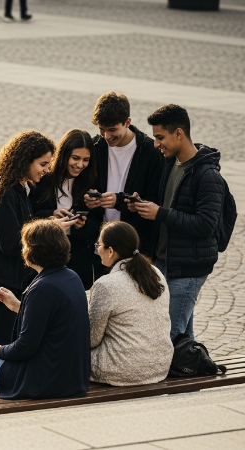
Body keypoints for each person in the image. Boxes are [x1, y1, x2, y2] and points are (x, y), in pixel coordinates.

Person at [0, 219, 90, 420]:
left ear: (33, 250)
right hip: (71, 376)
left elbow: (24, 348)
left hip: (45, 379)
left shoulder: (42, 288)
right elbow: (49, 319)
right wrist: (17, 306)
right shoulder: (70, 277)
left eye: (25, 245)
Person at [130, 104, 226, 339]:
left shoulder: (208, 176)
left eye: (160, 137)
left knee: (169, 337)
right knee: (183, 338)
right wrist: (144, 205)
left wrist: (160, 213)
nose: (156, 144)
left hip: (187, 269)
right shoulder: (171, 163)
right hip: (166, 262)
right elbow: (170, 204)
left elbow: (206, 225)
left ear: (179, 133)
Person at [0, 130, 74, 346]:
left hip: (8, 280)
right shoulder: (5, 193)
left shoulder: (21, 187)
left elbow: (22, 222)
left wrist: (49, 217)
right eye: (43, 164)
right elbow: (10, 243)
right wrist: (49, 228)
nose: (46, 170)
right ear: (25, 161)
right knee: (2, 348)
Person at [90, 221, 173, 386]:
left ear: (110, 251)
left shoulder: (105, 284)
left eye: (98, 245)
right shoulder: (155, 273)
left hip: (121, 369)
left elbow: (91, 339)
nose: (97, 249)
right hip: (160, 365)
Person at [83, 92, 164, 256]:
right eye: (102, 129)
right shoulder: (94, 146)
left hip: (134, 249)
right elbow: (81, 184)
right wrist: (87, 198)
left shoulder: (151, 152)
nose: (106, 136)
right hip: (97, 248)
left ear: (127, 122)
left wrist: (121, 201)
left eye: (112, 130)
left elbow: (157, 200)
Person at [32, 129, 102, 289]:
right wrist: (52, 215)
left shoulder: (91, 182)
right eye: (75, 158)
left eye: (86, 160)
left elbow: (98, 223)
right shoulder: (43, 179)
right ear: (64, 155)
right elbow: (30, 214)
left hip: (78, 256)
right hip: (46, 254)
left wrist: (83, 224)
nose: (80, 165)